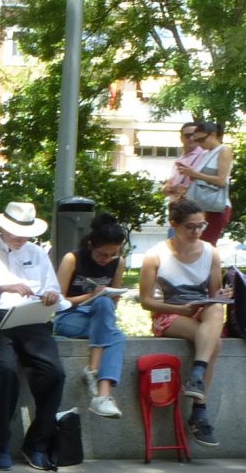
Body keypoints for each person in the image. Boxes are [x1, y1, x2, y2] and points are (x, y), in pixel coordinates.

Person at [0, 201, 65, 471]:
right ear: (3, 227)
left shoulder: (37, 253)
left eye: (26, 234)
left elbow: (54, 290)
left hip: (31, 316)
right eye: (17, 232)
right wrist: (2, 287)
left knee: (54, 372)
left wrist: (51, 296)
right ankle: (2, 443)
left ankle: (37, 443)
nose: (22, 239)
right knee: (6, 371)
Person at [139, 198, 230, 447]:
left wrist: (222, 295)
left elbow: (214, 294)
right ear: (174, 224)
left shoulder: (210, 252)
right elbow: (146, 301)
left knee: (216, 308)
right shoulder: (155, 255)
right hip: (169, 313)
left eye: (201, 226)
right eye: (190, 226)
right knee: (215, 344)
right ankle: (199, 411)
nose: (197, 232)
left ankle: (196, 375)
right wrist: (179, 309)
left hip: (201, 310)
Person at [52, 213, 128, 419]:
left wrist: (107, 296)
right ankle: (93, 373)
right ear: (90, 245)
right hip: (69, 317)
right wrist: (90, 296)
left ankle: (102, 395)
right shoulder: (72, 259)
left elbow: (113, 302)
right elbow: (59, 301)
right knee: (113, 332)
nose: (107, 260)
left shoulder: (118, 262)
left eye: (113, 255)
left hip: (99, 317)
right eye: (102, 254)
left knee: (108, 314)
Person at [173, 120, 234, 246]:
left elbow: (221, 181)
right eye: (197, 141)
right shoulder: (206, 153)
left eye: (201, 140)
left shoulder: (224, 150)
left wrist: (195, 174)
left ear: (212, 135)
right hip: (201, 205)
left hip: (215, 206)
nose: (199, 144)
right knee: (192, 244)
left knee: (206, 245)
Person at [161, 120, 203, 206]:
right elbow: (169, 185)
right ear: (181, 138)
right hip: (178, 205)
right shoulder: (179, 160)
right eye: (187, 136)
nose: (191, 138)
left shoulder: (205, 155)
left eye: (194, 135)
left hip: (195, 206)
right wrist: (169, 188)